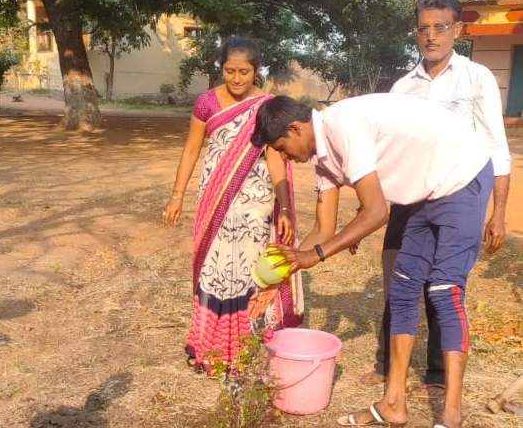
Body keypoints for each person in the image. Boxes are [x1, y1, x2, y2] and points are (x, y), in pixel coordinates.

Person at [249, 93, 494, 428]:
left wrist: (314, 256)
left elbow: (376, 213)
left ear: (294, 128)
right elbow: (323, 229)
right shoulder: (324, 159)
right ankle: (394, 404)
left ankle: (451, 414)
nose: (283, 157)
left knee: (444, 290)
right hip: (423, 190)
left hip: (461, 175)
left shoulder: (342, 126)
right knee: (403, 291)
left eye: (280, 147)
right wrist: (278, 280)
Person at [361, 0, 511, 394]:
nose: (432, 36)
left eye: (441, 27)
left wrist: (497, 213)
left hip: (457, 198)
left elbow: (496, 144)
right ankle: (386, 362)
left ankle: (437, 373)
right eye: (424, 28)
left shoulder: (476, 78)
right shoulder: (401, 88)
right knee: (398, 277)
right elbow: (383, 150)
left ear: (457, 29)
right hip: (410, 198)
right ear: (416, 32)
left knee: (443, 285)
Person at [163, 36, 303, 374]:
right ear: (220, 68)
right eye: (229, 71)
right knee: (215, 271)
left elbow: (274, 159)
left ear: (256, 70)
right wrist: (177, 194)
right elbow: (192, 150)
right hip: (214, 201)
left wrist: (283, 207)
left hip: (255, 205)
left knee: (247, 272)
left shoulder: (267, 105)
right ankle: (212, 347)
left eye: (244, 71)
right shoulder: (207, 103)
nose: (237, 79)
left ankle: (249, 348)